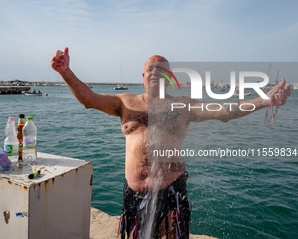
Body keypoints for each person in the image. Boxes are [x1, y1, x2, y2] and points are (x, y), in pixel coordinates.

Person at [51, 48, 291, 239]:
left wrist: (264, 101)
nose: (155, 71)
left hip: (170, 192)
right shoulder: (125, 102)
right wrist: (66, 72)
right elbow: (89, 100)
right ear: (143, 77)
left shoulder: (183, 106)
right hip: (134, 193)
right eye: (150, 69)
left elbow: (224, 111)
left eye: (161, 69)